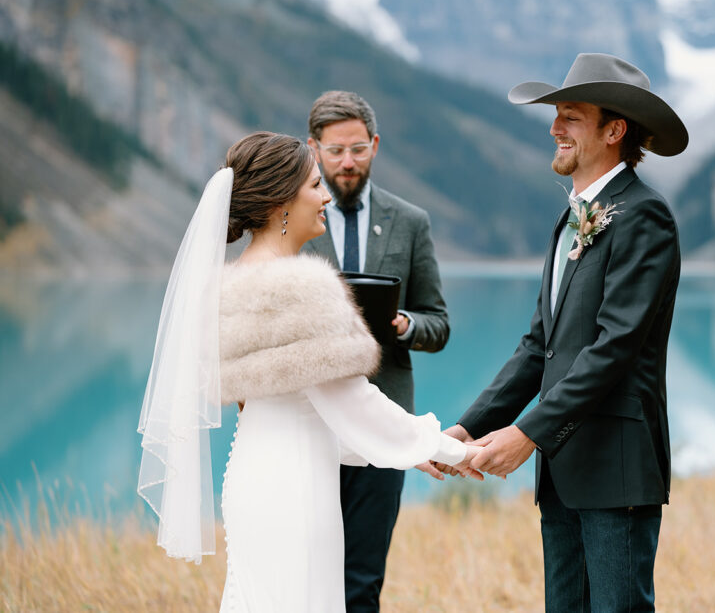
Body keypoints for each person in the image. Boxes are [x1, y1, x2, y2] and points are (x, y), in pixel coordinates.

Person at [137, 131, 476, 612]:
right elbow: (350, 401)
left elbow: (307, 408)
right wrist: (445, 446)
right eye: (315, 185)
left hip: (254, 476)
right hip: (294, 491)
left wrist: (405, 452)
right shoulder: (304, 287)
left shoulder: (226, 286)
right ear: (281, 203)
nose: (325, 197)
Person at [438, 53, 687, 612]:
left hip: (615, 468)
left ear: (614, 130)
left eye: (570, 116)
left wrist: (527, 434)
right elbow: (539, 348)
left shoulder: (645, 215)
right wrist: (467, 427)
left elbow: (614, 348)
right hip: (564, 469)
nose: (554, 128)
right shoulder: (573, 216)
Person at [303, 91, 450, 612]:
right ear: (313, 148)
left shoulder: (411, 221)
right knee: (306, 577)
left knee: (362, 581)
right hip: (308, 422)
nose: (347, 162)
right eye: (336, 150)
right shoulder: (292, 218)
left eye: (359, 149)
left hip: (382, 423)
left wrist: (405, 323)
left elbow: (439, 323)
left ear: (376, 146)